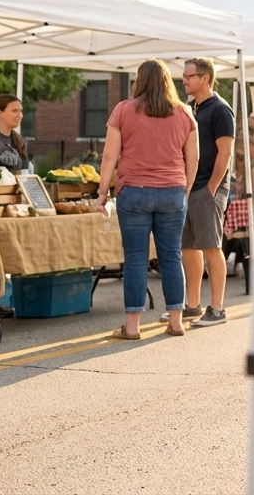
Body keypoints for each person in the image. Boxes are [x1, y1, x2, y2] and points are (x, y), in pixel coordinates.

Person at [96, 60, 198, 339]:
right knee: (171, 257)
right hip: (173, 191)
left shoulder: (123, 110)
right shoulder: (184, 113)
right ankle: (176, 321)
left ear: (139, 81)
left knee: (136, 259)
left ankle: (132, 326)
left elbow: (109, 156)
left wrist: (102, 193)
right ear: (168, 81)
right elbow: (193, 158)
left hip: (134, 191)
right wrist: (184, 190)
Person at [174, 58, 234, 327]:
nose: (184, 80)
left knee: (211, 246)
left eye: (190, 76)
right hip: (188, 188)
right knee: (188, 246)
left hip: (208, 189)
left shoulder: (221, 110)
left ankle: (218, 309)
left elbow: (225, 151)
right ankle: (193, 305)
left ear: (205, 78)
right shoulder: (189, 109)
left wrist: (212, 187)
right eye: (184, 76)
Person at [0, 94, 28, 173]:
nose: (20, 115)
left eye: (20, 111)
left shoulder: (19, 140)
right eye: (14, 111)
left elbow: (24, 173)